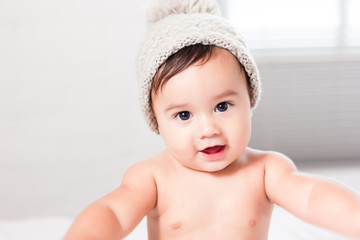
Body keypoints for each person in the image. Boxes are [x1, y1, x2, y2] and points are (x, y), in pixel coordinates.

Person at [64, 0, 360, 239]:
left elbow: (312, 196)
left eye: (222, 106)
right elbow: (113, 213)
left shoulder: (267, 171)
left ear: (249, 99)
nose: (208, 129)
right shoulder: (152, 177)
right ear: (156, 120)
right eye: (184, 115)